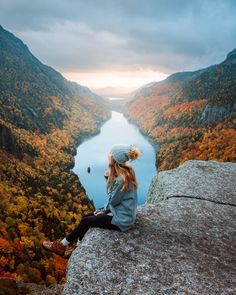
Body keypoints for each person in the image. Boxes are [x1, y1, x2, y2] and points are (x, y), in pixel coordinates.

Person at [42, 144, 141, 258]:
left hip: (122, 219)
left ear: (115, 159)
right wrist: (104, 210)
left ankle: (61, 245)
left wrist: (104, 208)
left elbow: (113, 201)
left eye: (111, 153)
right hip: (121, 212)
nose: (109, 154)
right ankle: (76, 246)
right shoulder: (126, 172)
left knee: (87, 221)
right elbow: (115, 201)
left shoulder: (121, 180)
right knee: (86, 217)